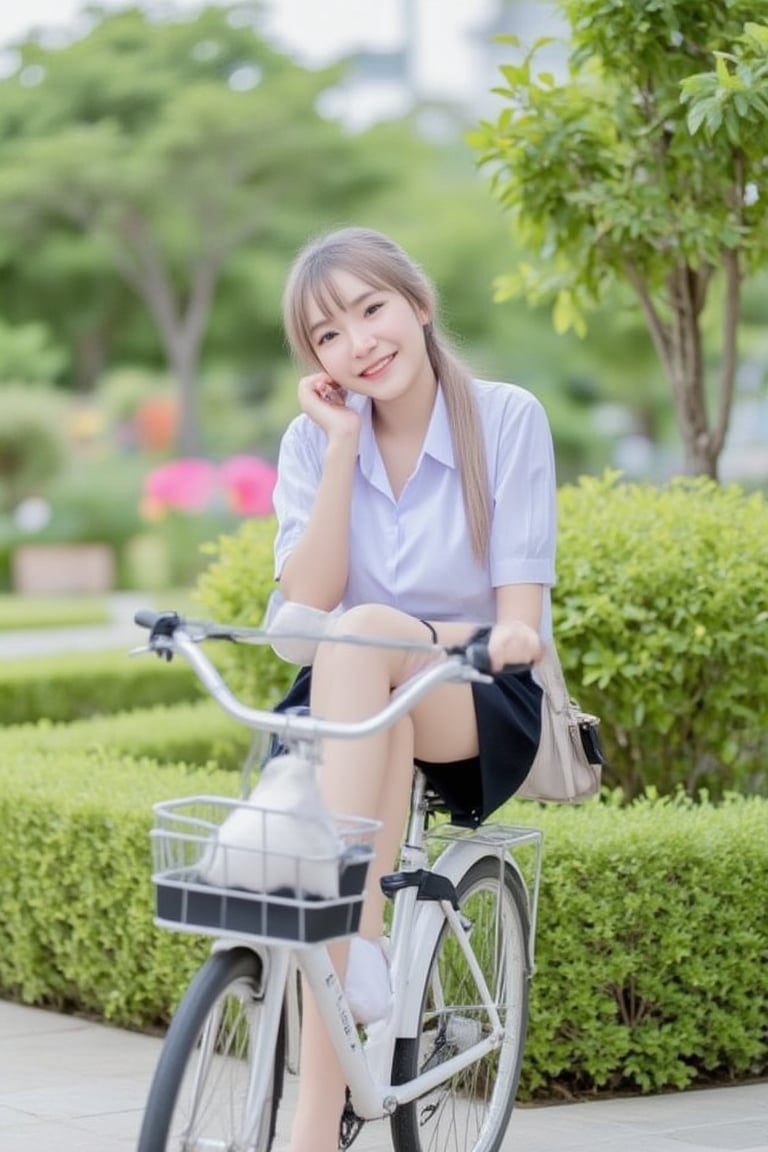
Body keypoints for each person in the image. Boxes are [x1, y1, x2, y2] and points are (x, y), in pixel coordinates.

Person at [270, 225, 557, 1152]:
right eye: (327, 335)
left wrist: (411, 636)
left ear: (418, 304)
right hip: (354, 705)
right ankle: (318, 1120)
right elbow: (298, 613)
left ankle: (354, 945)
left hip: (474, 697)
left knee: (365, 633)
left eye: (371, 308)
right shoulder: (314, 442)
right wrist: (343, 444)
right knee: (354, 652)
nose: (358, 342)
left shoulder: (505, 418)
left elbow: (517, 630)